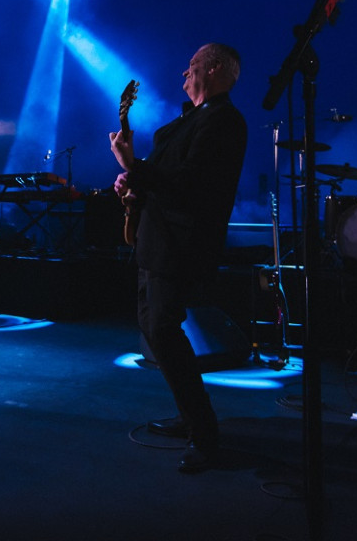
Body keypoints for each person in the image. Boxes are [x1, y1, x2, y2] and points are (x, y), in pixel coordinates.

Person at [109, 43, 247, 472]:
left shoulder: (224, 121)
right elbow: (163, 180)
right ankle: (192, 417)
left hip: (180, 245)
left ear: (215, 68)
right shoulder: (182, 124)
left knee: (163, 331)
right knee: (156, 330)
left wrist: (136, 166)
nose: (184, 76)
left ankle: (204, 433)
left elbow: (194, 184)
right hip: (157, 240)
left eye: (191, 68)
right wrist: (132, 182)